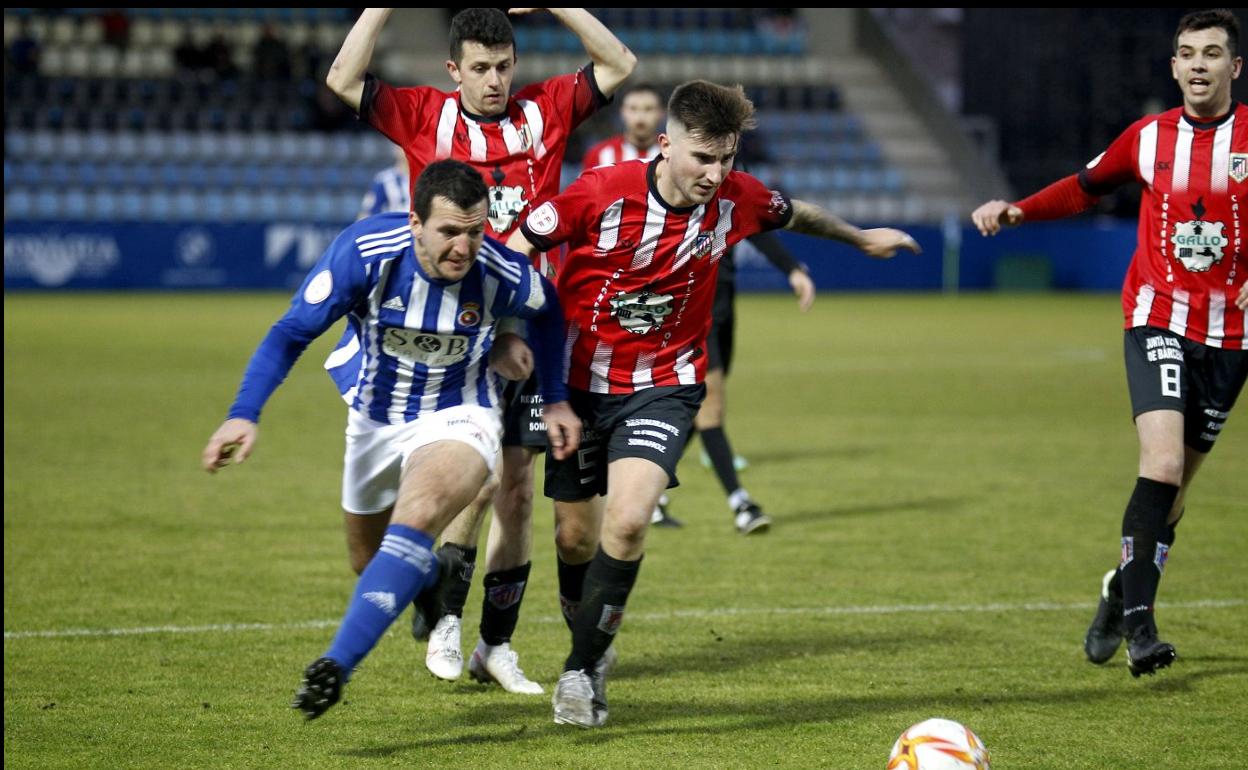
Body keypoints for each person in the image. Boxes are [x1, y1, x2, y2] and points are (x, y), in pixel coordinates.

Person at [508, 79, 920, 727]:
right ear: (666, 145)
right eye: (704, 157)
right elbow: (520, 243)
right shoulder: (601, 191)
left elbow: (795, 213)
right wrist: (513, 327)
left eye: (726, 158)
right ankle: (588, 641)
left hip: (666, 384)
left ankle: (582, 670)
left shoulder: (737, 197)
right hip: (579, 384)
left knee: (629, 521)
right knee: (573, 536)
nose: (716, 172)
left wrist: (861, 237)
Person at [201, 160, 580, 720]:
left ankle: (336, 664)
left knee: (421, 512)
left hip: (460, 413)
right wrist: (244, 413)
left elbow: (548, 311)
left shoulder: (499, 270)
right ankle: (433, 575)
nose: (464, 246)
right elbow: (290, 333)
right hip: (375, 418)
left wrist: (553, 396)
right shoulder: (366, 252)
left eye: (474, 232)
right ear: (415, 222)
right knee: (368, 559)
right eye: (449, 231)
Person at [325, 7, 635, 691]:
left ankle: (493, 646)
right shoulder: (423, 115)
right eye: (481, 69)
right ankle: (443, 621)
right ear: (454, 70)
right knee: (476, 480)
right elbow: (343, 77)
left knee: (518, 492)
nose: (495, 81)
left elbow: (619, 65)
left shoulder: (544, 112)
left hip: (528, 328)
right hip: (453, 333)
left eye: (504, 67)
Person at [971, 8, 1247, 678]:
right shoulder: (1148, 137)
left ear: (1235, 67)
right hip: (1156, 317)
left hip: (1231, 338)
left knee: (1174, 495)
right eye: (1188, 53)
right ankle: (1140, 629)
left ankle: (1115, 591)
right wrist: (1019, 210)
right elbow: (1085, 187)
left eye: (1213, 53)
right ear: (1175, 66)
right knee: (1160, 465)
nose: (1199, 65)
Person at [580, 85, 816, 533]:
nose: (642, 116)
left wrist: (791, 268)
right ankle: (739, 501)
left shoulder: (713, 160)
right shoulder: (609, 162)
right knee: (705, 404)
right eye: (634, 107)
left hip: (720, 295)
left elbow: (756, 218)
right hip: (673, 306)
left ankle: (649, 485)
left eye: (650, 108)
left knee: (687, 405)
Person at [581, 83, 664, 169]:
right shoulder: (599, 154)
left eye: (648, 109)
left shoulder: (673, 154)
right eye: (633, 109)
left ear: (661, 113)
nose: (640, 117)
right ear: (622, 112)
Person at [358, 146, 410, 219]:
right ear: (396, 150)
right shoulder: (384, 179)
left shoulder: (426, 177)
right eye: (402, 146)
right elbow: (366, 214)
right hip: (395, 227)